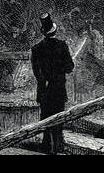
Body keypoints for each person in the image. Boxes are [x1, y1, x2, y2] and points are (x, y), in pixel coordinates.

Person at [30, 13, 74, 154]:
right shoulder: (62, 46)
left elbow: (37, 72)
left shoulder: (36, 49)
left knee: (45, 117)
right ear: (55, 31)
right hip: (58, 88)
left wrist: (44, 81)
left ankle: (46, 146)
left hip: (44, 89)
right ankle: (58, 147)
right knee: (58, 118)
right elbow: (70, 67)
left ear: (44, 32)